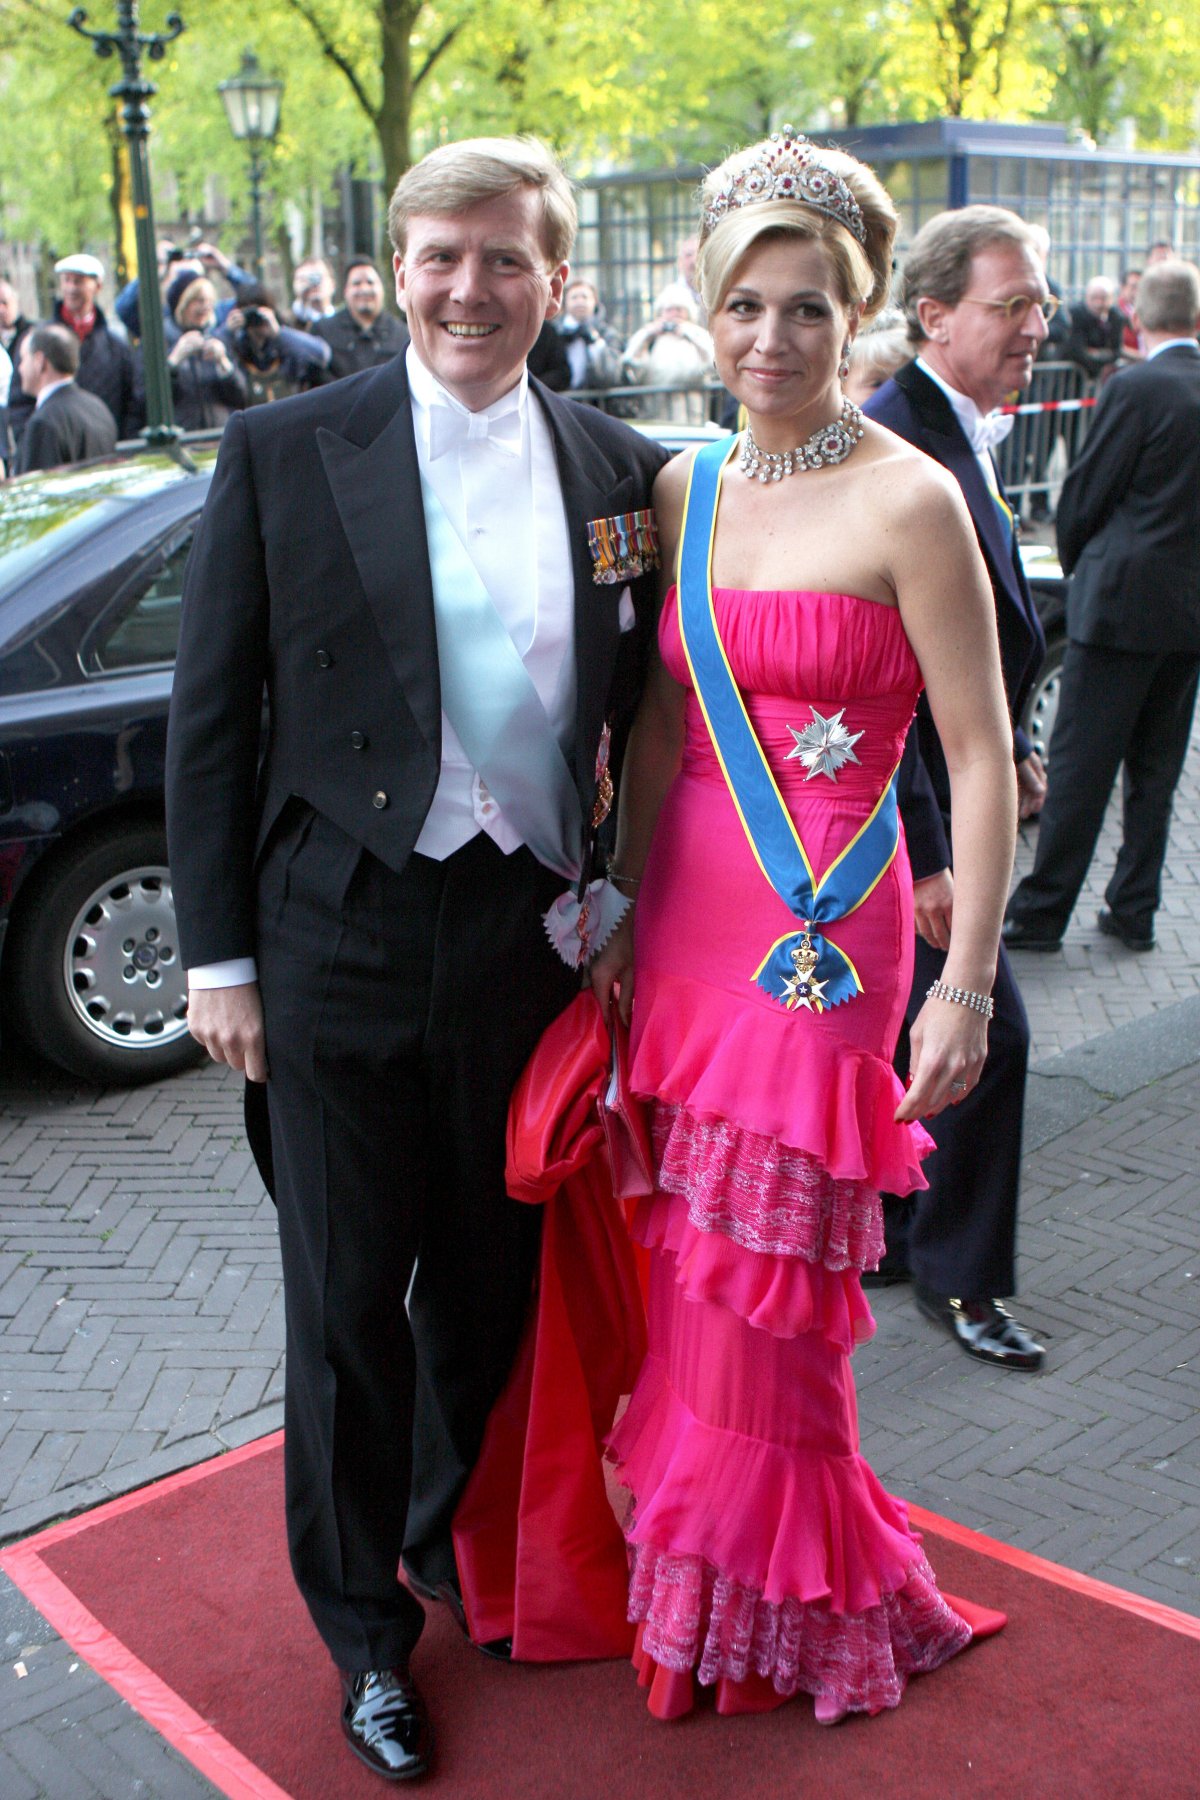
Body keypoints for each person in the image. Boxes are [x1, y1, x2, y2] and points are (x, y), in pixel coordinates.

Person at [165, 134, 666, 1784]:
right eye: (441, 255)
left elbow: (636, 713)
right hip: (334, 940)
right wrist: (218, 958)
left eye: (506, 257)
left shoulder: (614, 472)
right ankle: (363, 1633)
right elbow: (211, 726)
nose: (472, 287)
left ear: (556, 276)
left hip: (523, 944)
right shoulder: (286, 450)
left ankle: (460, 1550)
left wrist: (617, 904)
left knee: (486, 1295)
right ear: (394, 268)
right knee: (345, 1312)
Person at [590, 128, 1013, 1724]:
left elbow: (977, 756)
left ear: (860, 322)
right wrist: (623, 910)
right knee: (698, 1268)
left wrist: (967, 985)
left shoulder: (913, 499)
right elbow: (648, 732)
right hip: (694, 923)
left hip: (828, 952)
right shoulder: (682, 484)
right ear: (705, 317)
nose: (773, 340)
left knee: (779, 1286)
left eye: (809, 310)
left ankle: (794, 1600)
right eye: (744, 308)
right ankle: (709, 1585)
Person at [864, 207, 1049, 1370]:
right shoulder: (901, 441)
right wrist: (931, 853)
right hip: (905, 815)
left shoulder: (961, 425)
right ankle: (960, 1279)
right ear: (934, 314)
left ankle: (893, 1230)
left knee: (906, 1026)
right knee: (990, 1035)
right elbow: (889, 676)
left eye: (1036, 300)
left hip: (952, 790)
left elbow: (981, 650)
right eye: (1012, 304)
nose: (1037, 322)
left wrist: (1016, 740)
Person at [1003, 260, 1200, 954]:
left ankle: (1040, 914)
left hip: (1119, 608)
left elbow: (1083, 495)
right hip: (1187, 617)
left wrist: (1086, 565)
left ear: (1137, 319)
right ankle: (1134, 909)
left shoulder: (1137, 386)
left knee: (1082, 769)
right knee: (1157, 771)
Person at [50, 253, 142, 439]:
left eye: (78, 282)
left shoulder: (117, 348)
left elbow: (132, 403)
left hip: (103, 444)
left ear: (97, 286)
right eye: (67, 281)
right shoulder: (42, 340)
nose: (71, 288)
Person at [13, 322, 118, 474]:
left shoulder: (43, 423)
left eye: (23, 359)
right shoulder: (97, 406)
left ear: (40, 361)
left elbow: (39, 491)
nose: (20, 368)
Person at [219, 285, 332, 403]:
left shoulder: (285, 340)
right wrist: (226, 332)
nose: (254, 319)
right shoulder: (237, 345)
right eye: (248, 313)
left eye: (257, 312)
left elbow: (322, 354)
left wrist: (278, 333)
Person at [163, 272, 247, 429]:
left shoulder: (218, 340)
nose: (206, 306)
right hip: (183, 437)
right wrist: (173, 362)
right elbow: (146, 399)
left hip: (219, 435)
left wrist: (224, 364)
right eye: (199, 301)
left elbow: (241, 397)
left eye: (209, 301)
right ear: (182, 304)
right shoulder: (162, 341)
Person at [621, 283, 714, 421]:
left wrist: (688, 333)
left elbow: (712, 363)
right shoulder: (651, 338)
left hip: (692, 416)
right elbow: (630, 361)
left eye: (679, 309)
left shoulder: (698, 335)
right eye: (669, 310)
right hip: (656, 414)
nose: (674, 314)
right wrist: (648, 334)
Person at [312, 257, 408, 379]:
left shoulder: (402, 334)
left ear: (382, 289)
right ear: (345, 291)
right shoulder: (323, 331)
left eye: (370, 282)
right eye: (356, 283)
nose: (364, 289)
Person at [553, 277, 623, 391]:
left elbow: (611, 375)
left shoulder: (607, 334)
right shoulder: (554, 332)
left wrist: (595, 343)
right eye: (574, 297)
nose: (580, 302)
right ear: (565, 302)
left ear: (595, 301)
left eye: (585, 297)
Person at [1066, 277, 1123, 381]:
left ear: (1111, 299)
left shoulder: (1116, 317)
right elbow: (1077, 351)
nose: (1098, 303)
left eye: (1103, 298)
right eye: (1094, 298)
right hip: (1071, 378)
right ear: (1086, 297)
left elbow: (1116, 351)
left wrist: (1096, 354)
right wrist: (1103, 356)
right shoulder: (1076, 314)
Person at [290, 255, 337, 327]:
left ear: (333, 285)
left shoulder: (347, 321)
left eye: (318, 276)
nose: (313, 284)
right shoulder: (286, 324)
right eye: (303, 279)